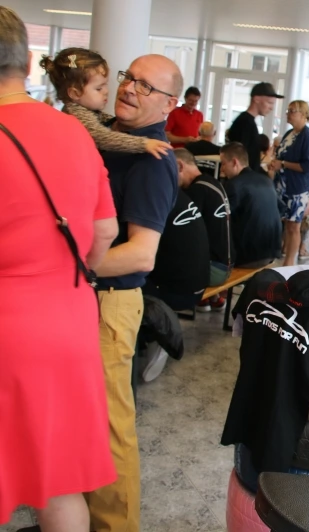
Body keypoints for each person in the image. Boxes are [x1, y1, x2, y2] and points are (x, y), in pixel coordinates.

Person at [0, 8, 118, 529]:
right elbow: (106, 229)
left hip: (6, 319)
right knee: (60, 480)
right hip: (69, 316)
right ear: (27, 63)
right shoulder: (74, 132)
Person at [90, 53, 183, 531]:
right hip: (85, 297)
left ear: (168, 104)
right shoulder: (110, 136)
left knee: (109, 426)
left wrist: (61, 267)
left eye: (146, 86)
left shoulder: (152, 159)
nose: (129, 88)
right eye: (129, 77)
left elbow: (141, 254)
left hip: (110, 302)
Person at [40, 47, 171, 159]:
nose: (106, 92)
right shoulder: (77, 114)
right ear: (75, 93)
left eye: (105, 85)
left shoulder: (80, 110)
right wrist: (143, 144)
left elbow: (101, 119)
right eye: (99, 88)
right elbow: (102, 137)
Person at [175, 149, 233, 289]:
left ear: (180, 166)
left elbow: (184, 233)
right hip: (226, 263)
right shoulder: (212, 182)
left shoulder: (197, 190)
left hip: (214, 269)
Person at [269, 100, 309, 266]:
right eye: (288, 111)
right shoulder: (290, 133)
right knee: (286, 223)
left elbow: (307, 166)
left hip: (297, 188)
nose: (288, 114)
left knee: (294, 225)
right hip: (283, 185)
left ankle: (289, 261)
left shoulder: (307, 137)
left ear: (303, 115)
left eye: (292, 111)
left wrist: (283, 164)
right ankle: (283, 253)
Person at [221, 142, 283, 267]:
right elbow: (280, 209)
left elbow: (222, 219)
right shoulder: (266, 180)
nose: (222, 169)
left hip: (249, 256)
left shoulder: (234, 184)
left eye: (223, 164)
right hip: (272, 251)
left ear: (234, 162)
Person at [228, 82, 283, 172]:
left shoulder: (248, 122)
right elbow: (240, 158)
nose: (271, 108)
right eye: (269, 102)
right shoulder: (245, 123)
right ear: (256, 99)